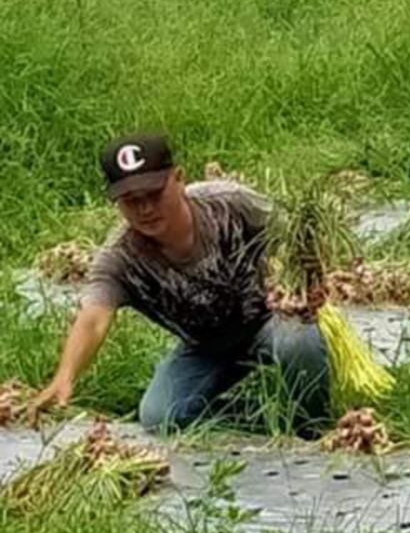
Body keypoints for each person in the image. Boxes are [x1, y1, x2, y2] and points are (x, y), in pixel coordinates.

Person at [27, 132, 330, 434]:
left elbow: (298, 237)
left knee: (300, 341)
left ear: (179, 178)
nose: (145, 209)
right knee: (160, 417)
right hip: (206, 347)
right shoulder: (120, 258)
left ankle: (313, 422)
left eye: (154, 194)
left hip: (271, 321)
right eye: (132, 201)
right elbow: (93, 318)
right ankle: (269, 419)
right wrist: (65, 377)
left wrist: (309, 283)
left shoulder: (230, 204)